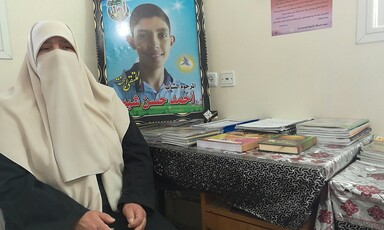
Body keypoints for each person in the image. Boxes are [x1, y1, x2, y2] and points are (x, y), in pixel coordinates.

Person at [0, 20, 177, 230]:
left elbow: (136, 154)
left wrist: (135, 199)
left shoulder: (106, 99)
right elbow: (12, 185)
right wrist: (74, 218)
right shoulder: (8, 113)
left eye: (66, 48)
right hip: (55, 220)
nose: (58, 56)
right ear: (31, 59)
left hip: (119, 211)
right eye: (45, 49)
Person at [108, 3, 187, 104]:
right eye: (143, 36)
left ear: (171, 41)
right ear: (132, 42)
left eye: (162, 35)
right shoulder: (113, 91)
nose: (154, 44)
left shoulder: (184, 91)